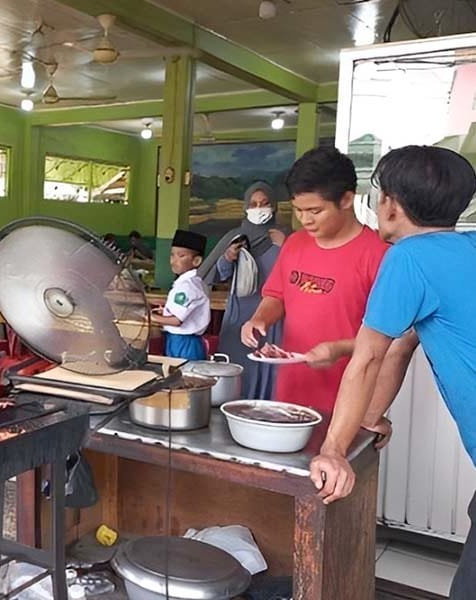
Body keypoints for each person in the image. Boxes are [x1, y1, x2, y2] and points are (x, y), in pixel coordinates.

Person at [307, 146, 476, 598]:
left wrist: (334, 451)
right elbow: (402, 345)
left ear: (391, 204)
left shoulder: (409, 257)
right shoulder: (468, 248)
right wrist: (369, 417)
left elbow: (368, 357)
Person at [240, 147, 388, 414]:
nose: (305, 220)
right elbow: (277, 295)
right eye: (298, 210)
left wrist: (339, 349)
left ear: (346, 199)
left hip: (349, 403)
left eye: (315, 211)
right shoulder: (295, 244)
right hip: (290, 392)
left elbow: (391, 340)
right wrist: (260, 319)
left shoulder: (379, 255)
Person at [198, 182, 290, 398]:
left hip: (272, 313)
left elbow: (299, 271)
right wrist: (228, 257)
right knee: (237, 362)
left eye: (264, 203)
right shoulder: (237, 237)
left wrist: (286, 246)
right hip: (241, 311)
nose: (259, 209)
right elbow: (215, 275)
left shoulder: (285, 236)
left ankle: (264, 406)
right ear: (246, 207)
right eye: (253, 204)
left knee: (269, 361)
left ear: (274, 206)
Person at [150, 229, 210, 360]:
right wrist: (165, 312)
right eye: (172, 255)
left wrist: (149, 317)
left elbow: (176, 321)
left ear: (196, 261)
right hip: (177, 340)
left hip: (185, 343)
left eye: (181, 256)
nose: (173, 261)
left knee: (186, 371)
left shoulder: (188, 286)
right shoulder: (187, 283)